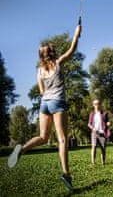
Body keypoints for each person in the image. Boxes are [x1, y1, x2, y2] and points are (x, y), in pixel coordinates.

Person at [8, 19, 82, 192]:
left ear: (41, 56)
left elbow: (41, 91)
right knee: (62, 139)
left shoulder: (39, 71)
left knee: (43, 137)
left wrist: (49, 93)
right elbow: (72, 50)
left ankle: (23, 149)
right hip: (57, 102)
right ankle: (66, 173)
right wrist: (76, 34)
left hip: (44, 105)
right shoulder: (58, 63)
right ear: (52, 53)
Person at [88, 99, 111, 166]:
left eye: (98, 104)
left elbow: (107, 122)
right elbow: (89, 124)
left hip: (102, 133)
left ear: (100, 105)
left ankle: (103, 163)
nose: (97, 105)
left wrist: (108, 123)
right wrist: (93, 128)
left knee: (103, 149)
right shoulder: (92, 114)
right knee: (94, 147)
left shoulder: (104, 113)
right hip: (94, 133)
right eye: (95, 104)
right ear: (93, 105)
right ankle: (93, 163)